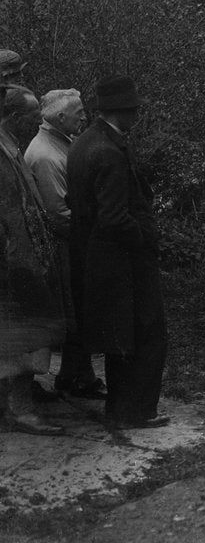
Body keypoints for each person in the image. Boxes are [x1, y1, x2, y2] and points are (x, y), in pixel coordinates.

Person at [66, 76, 168, 429]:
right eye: (134, 110)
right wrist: (145, 237)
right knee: (145, 333)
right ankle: (135, 411)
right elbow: (113, 217)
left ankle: (121, 409)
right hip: (122, 259)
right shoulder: (108, 151)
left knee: (122, 336)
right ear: (121, 112)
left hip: (97, 256)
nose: (138, 115)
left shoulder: (84, 143)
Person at [25, 88, 105, 398]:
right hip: (63, 246)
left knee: (78, 310)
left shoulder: (62, 143)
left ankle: (76, 374)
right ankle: (76, 377)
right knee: (72, 310)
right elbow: (58, 214)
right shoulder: (46, 155)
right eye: (79, 113)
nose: (84, 117)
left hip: (72, 241)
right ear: (60, 118)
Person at [0, 85, 66, 435]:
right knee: (20, 334)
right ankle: (18, 409)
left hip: (20, 253)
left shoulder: (9, 144)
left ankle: (16, 404)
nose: (33, 125)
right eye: (28, 119)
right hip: (13, 257)